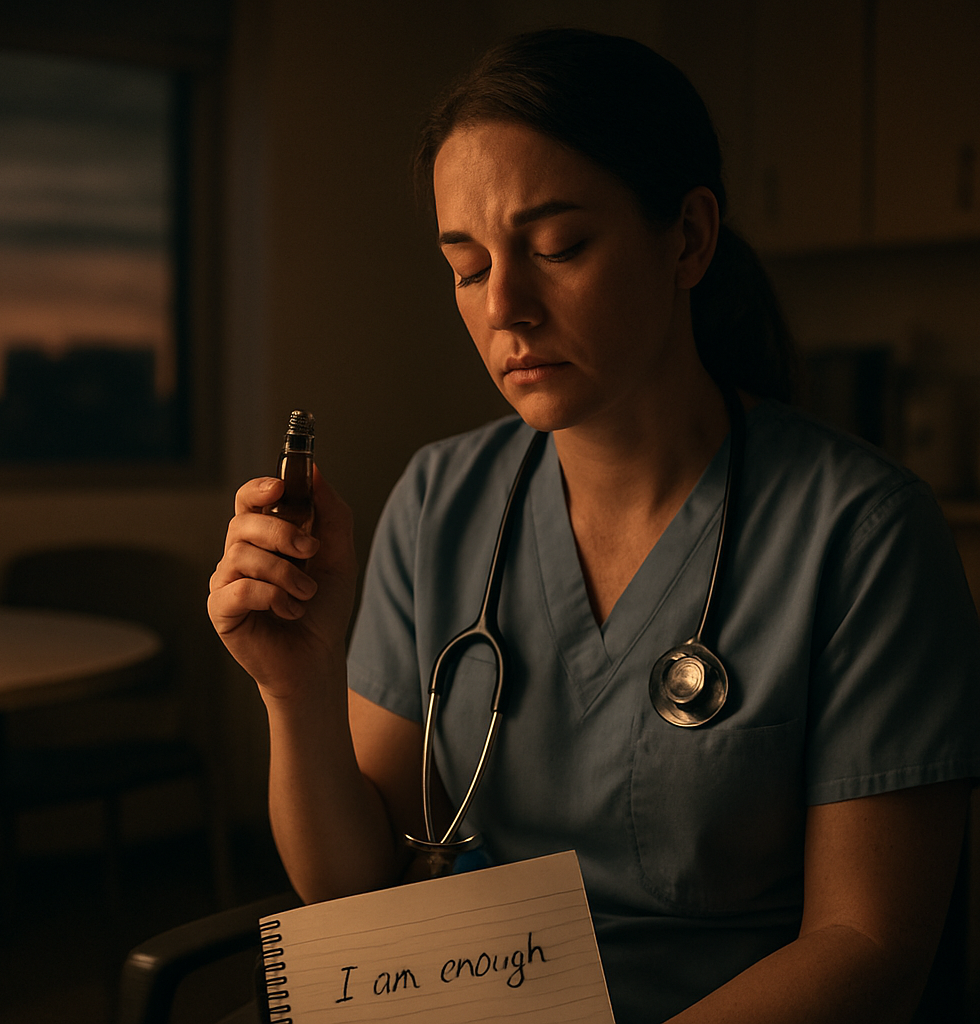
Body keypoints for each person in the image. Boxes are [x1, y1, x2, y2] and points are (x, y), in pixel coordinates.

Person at [209, 28, 980, 1023]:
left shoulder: (861, 533)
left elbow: (867, 943)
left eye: (558, 246)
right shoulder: (439, 498)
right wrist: (296, 688)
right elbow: (354, 892)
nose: (506, 307)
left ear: (688, 239)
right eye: (466, 265)